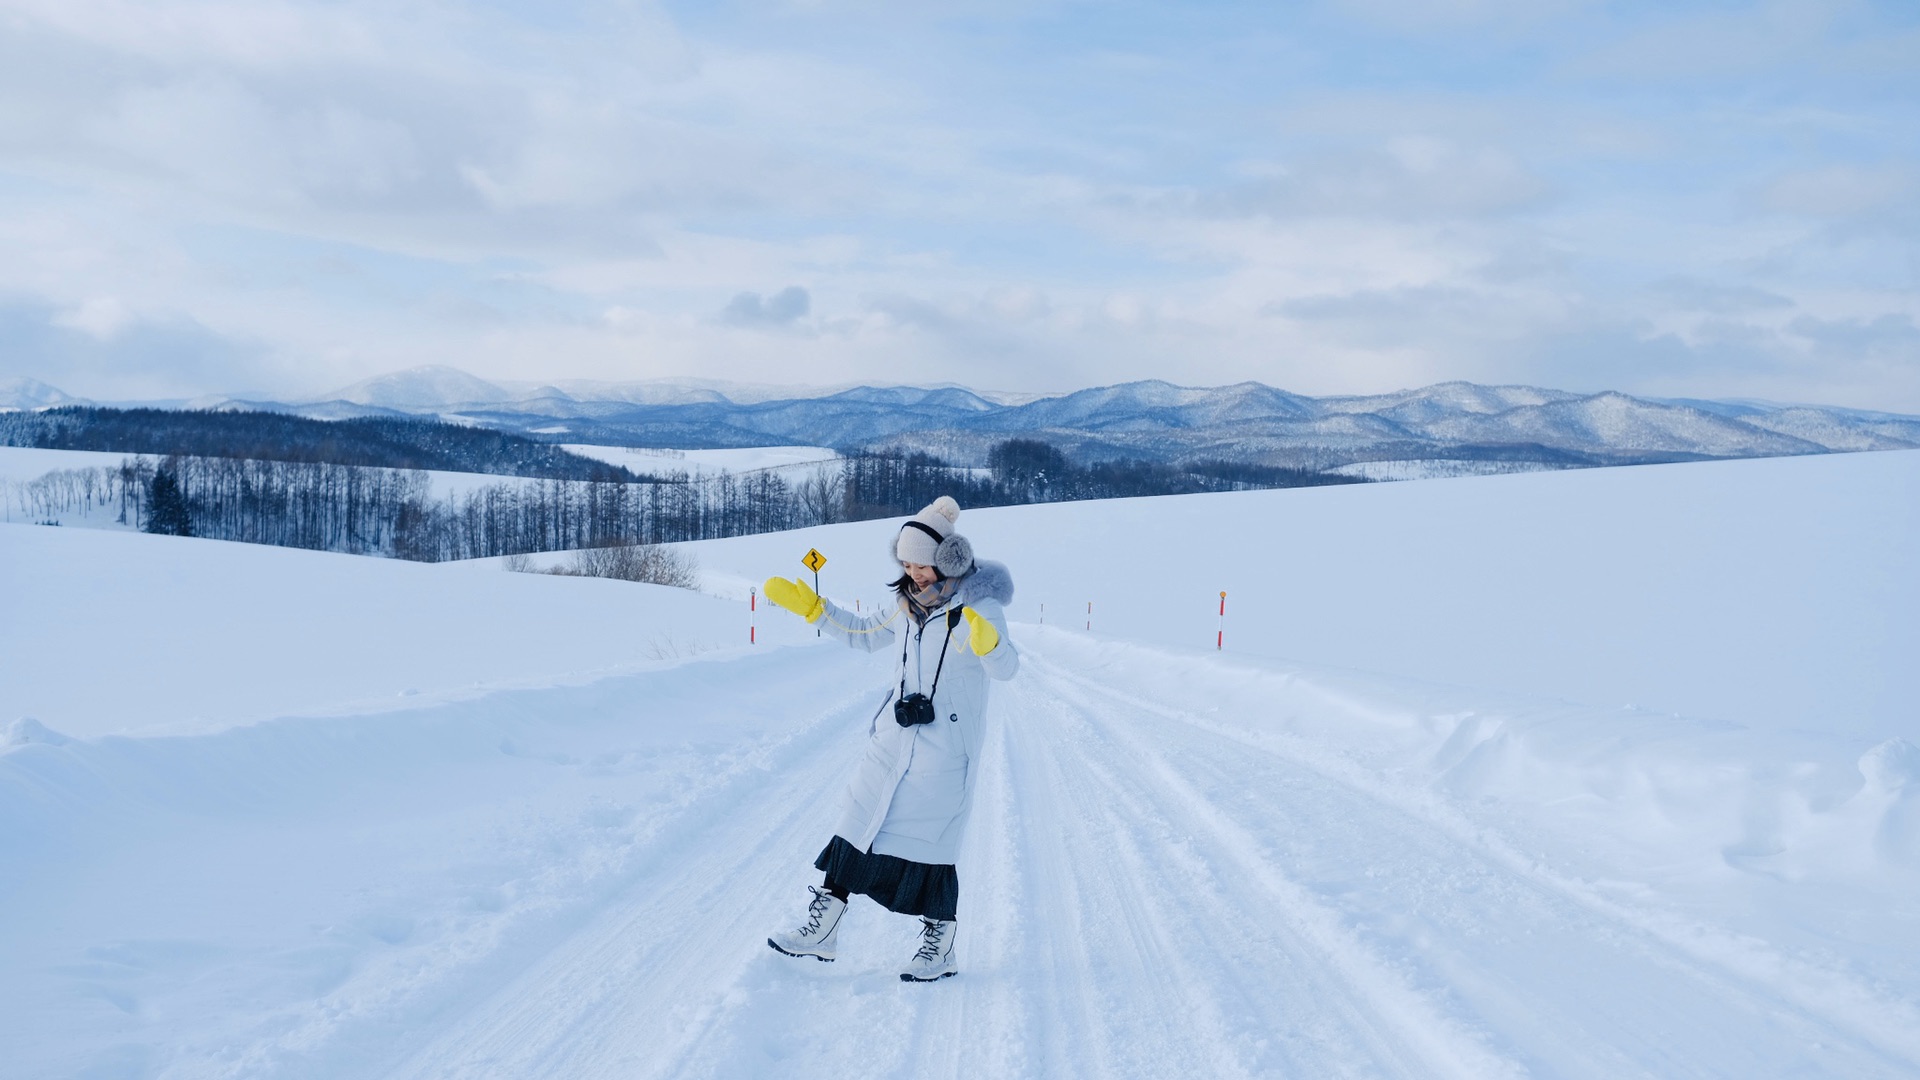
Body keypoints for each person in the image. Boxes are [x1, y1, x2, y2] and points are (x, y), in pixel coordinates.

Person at [760, 496, 1018, 982]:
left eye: (921, 563)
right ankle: (823, 932)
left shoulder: (979, 607)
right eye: (905, 563)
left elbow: (1006, 668)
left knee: (933, 846)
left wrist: (989, 643)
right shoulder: (906, 605)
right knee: (857, 820)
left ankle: (939, 947)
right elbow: (862, 633)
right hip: (893, 741)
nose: (914, 573)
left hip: (946, 750)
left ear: (949, 558)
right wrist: (815, 608)